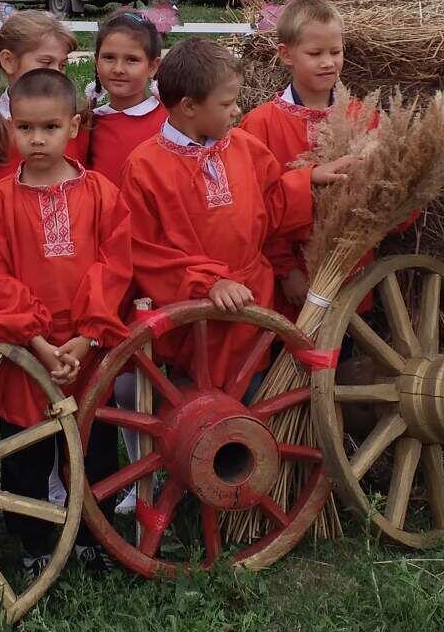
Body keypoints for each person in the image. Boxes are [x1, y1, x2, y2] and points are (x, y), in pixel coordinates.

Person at [0, 69, 133, 575]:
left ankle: (92, 534)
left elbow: (115, 265)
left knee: (93, 444)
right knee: (29, 451)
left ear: (75, 126)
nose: (37, 140)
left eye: (50, 128)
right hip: (26, 352)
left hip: (88, 348)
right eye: (25, 128)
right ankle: (36, 545)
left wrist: (84, 338)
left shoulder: (101, 193)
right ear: (9, 127)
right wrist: (38, 342)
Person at [119, 38, 346, 388]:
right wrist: (209, 282)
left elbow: (271, 205)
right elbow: (146, 252)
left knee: (255, 398)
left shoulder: (245, 148)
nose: (237, 110)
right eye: (227, 103)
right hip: (194, 317)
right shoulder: (145, 167)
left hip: (251, 303)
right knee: (196, 414)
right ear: (189, 106)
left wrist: (309, 179)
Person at [238, 0, 364, 313]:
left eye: (336, 52)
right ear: (286, 54)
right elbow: (255, 206)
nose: (328, 62)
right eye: (315, 53)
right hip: (291, 276)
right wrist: (285, 270)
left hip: (350, 271)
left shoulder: (362, 116)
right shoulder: (260, 124)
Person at [0, 9, 89, 188]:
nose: (56, 73)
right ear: (9, 61)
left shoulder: (75, 122)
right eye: (46, 62)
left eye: (62, 65)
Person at [85, 10, 166, 186]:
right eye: (109, 57)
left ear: (153, 67)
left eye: (131, 60)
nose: (118, 69)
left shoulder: (170, 121)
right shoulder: (89, 122)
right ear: (96, 62)